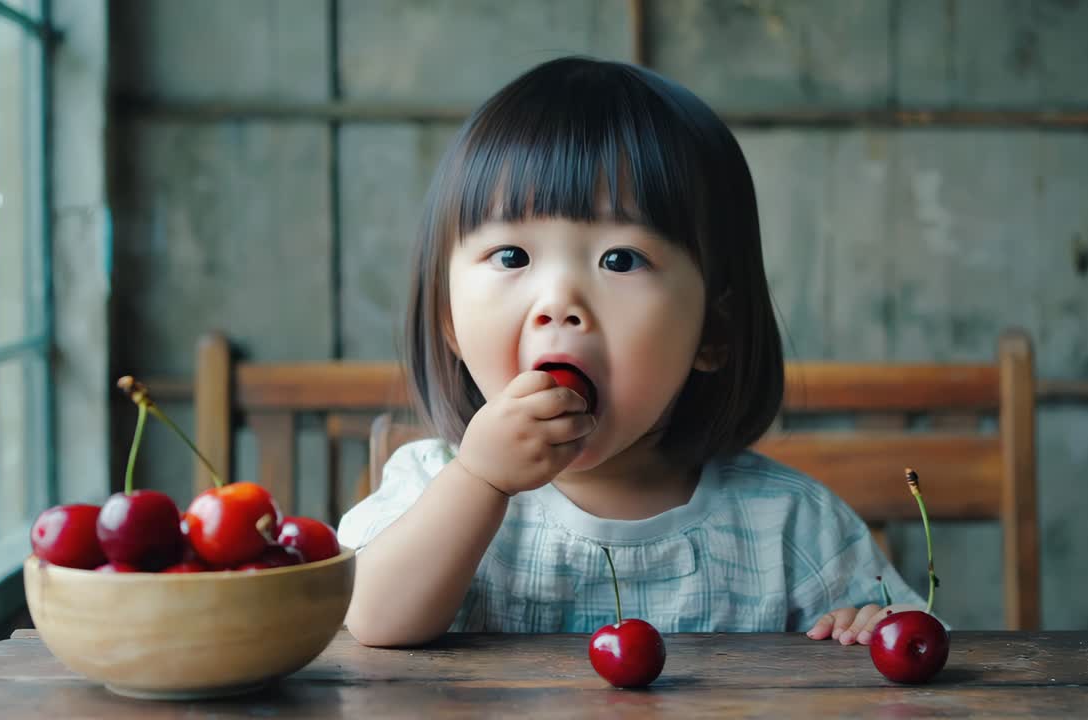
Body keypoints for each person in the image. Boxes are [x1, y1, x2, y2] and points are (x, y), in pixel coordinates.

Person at [338, 56, 925, 648]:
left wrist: (871, 631)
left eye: (620, 259)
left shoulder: (789, 525)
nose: (559, 302)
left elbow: (917, 650)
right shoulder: (429, 484)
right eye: (512, 256)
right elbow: (370, 621)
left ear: (712, 333)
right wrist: (480, 481)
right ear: (449, 321)